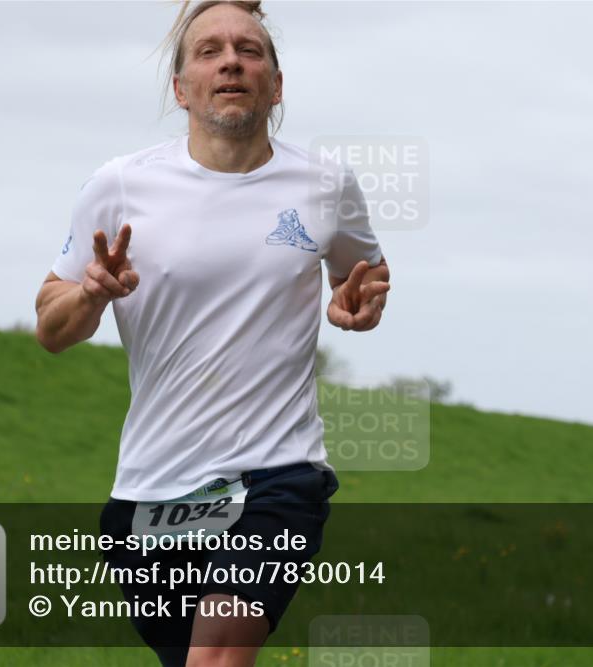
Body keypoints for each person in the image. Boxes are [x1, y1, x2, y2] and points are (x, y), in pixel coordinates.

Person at [34, 2, 390, 665]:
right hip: (153, 487)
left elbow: (363, 275)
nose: (231, 62)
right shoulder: (120, 185)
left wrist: (358, 304)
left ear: (275, 85)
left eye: (249, 50)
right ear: (180, 88)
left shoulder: (326, 185)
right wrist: (90, 292)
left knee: (216, 659)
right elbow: (50, 327)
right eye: (210, 51)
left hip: (277, 475)